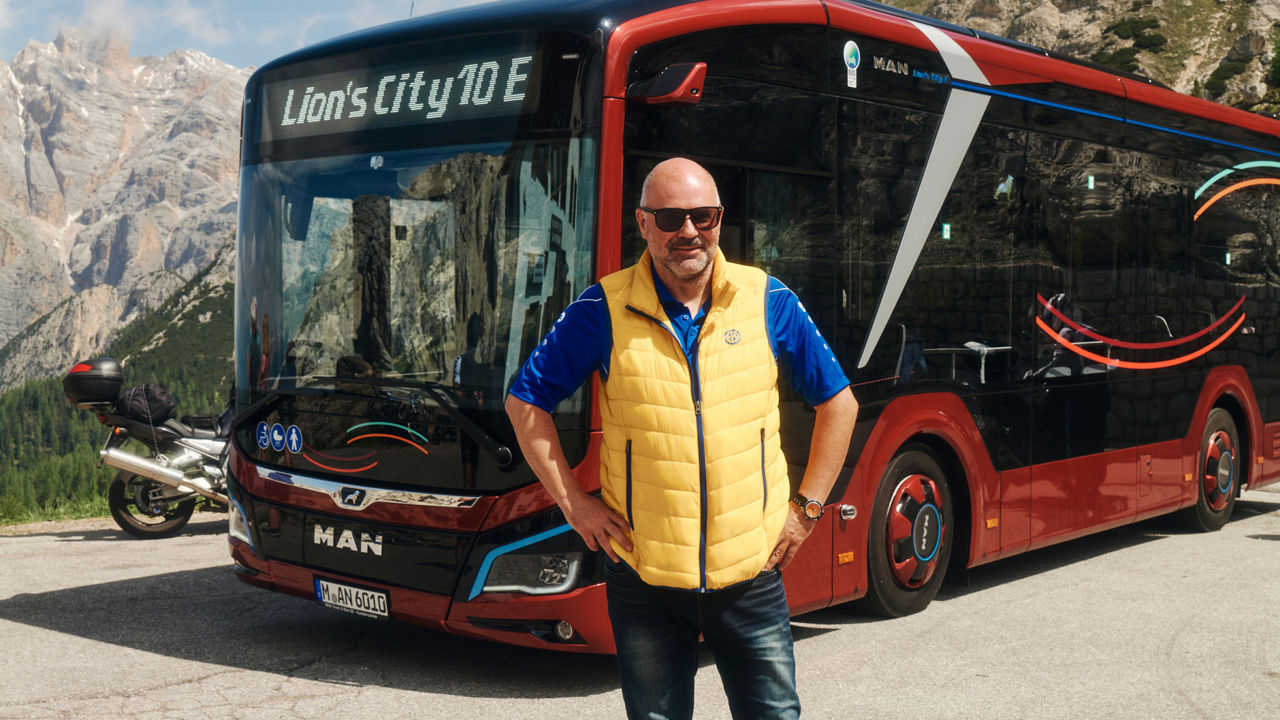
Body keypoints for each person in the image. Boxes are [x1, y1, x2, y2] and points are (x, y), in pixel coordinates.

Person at [505, 158, 857, 719]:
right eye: (671, 217)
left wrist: (808, 510)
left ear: (720, 219)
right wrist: (573, 504)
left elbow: (839, 403)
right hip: (645, 580)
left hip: (751, 573)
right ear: (644, 224)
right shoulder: (603, 308)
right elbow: (525, 401)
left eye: (703, 215)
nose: (688, 231)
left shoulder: (767, 299)